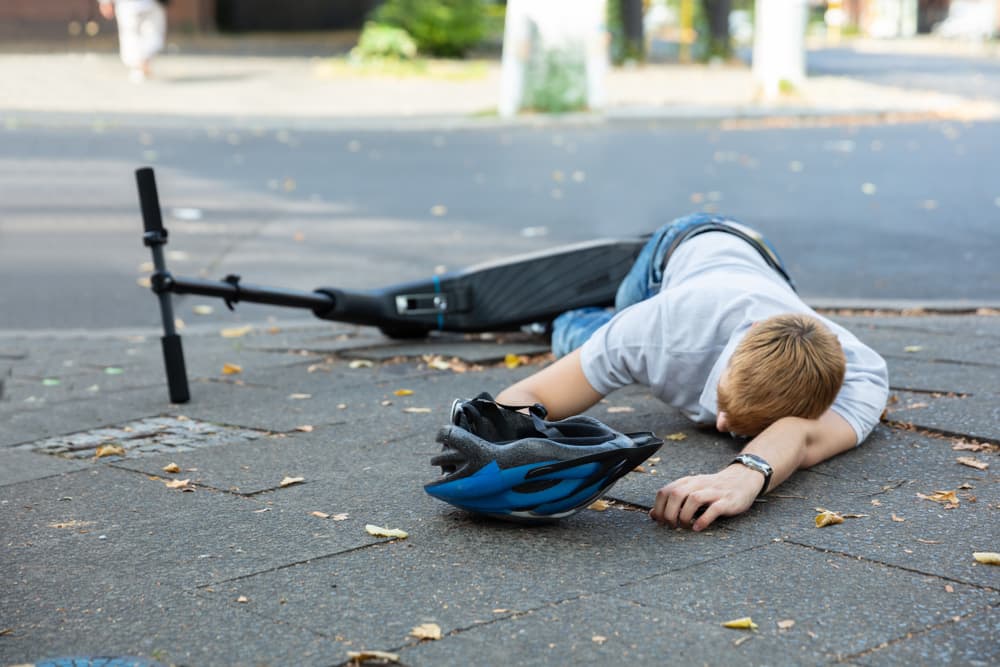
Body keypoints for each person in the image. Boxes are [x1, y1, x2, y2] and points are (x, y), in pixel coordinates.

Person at [496, 212, 889, 532]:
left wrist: (743, 476)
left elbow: (801, 435)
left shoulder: (863, 375)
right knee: (582, 337)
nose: (721, 424)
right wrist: (523, 456)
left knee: (610, 338)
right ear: (745, 338)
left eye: (747, 426)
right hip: (673, 251)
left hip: (759, 260)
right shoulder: (656, 332)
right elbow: (526, 397)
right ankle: (576, 310)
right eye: (721, 401)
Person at [98, 0, 167, 83]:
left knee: (152, 33)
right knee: (131, 34)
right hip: (129, 5)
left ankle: (143, 62)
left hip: (151, 5)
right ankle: (140, 64)